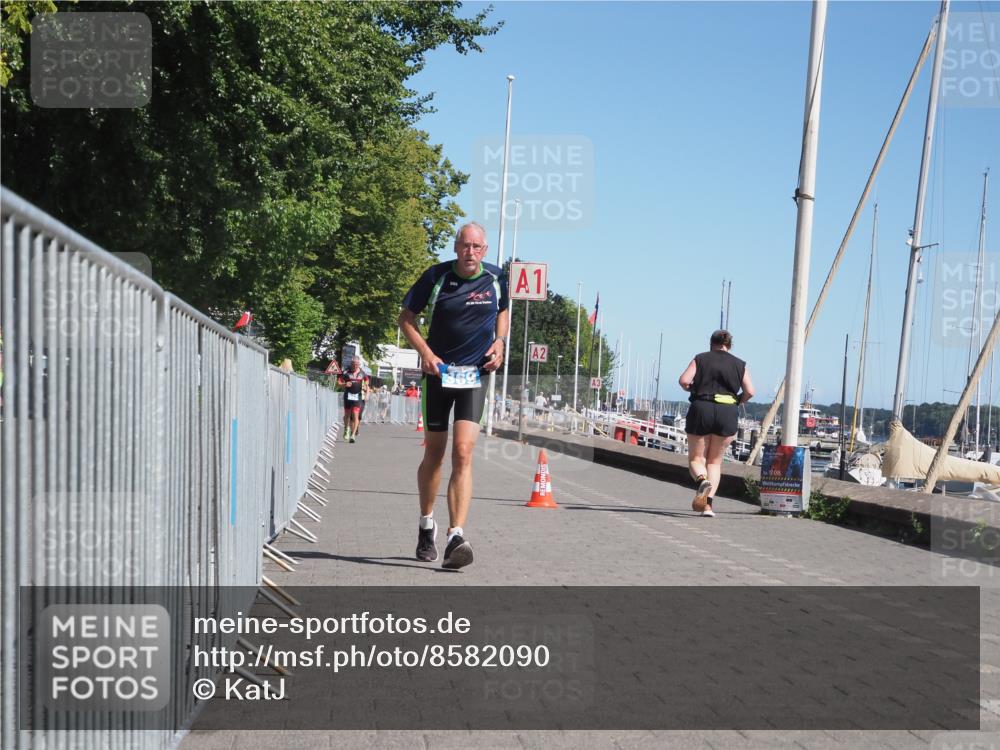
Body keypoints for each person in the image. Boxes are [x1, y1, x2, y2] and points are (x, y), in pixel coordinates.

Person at [398, 222, 509, 569]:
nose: (471, 252)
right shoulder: (436, 277)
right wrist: (426, 354)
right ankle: (426, 523)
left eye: (477, 247)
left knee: (463, 452)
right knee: (435, 454)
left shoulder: (495, 278)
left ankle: (456, 535)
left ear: (485, 250)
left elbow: (504, 310)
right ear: (456, 246)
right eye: (465, 246)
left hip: (475, 376)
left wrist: (500, 341)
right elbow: (405, 318)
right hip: (439, 375)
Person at [678, 330, 755, 517]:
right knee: (714, 462)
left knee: (697, 460)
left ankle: (702, 481)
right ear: (729, 345)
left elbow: (684, 380)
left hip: (702, 407)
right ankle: (708, 507)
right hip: (727, 412)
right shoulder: (740, 364)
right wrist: (738, 400)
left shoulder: (701, 358)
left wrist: (693, 387)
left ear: (711, 343)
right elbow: (750, 391)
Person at [338, 357, 368, 443]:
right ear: (351, 364)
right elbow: (339, 383)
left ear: (359, 364)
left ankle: (353, 435)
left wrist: (365, 386)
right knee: (347, 415)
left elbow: (367, 381)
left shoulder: (362, 373)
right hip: (348, 396)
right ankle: (346, 429)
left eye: (357, 364)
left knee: (355, 415)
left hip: (357, 397)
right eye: (354, 364)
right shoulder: (346, 372)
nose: (355, 366)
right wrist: (344, 384)